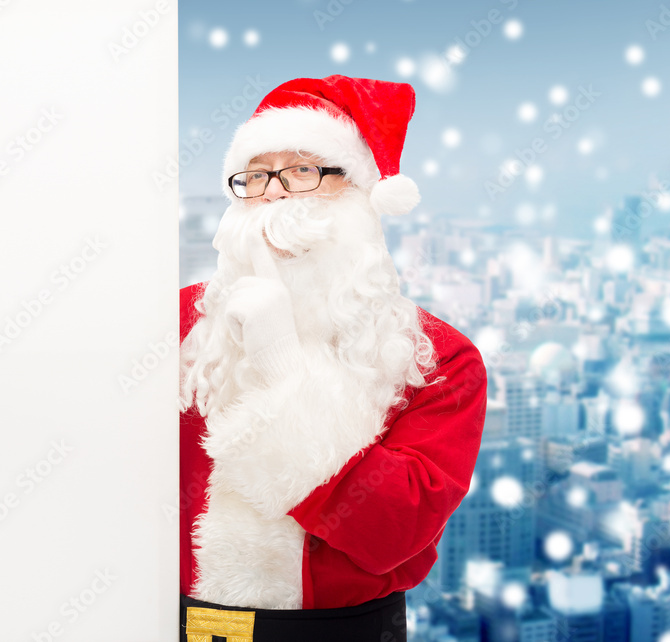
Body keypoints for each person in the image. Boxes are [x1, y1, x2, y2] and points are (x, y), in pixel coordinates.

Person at [179, 75, 487, 642]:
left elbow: (394, 530)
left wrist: (282, 369)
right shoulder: (180, 323)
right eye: (255, 175)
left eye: (302, 171)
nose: (272, 193)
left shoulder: (439, 357)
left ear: (361, 196)